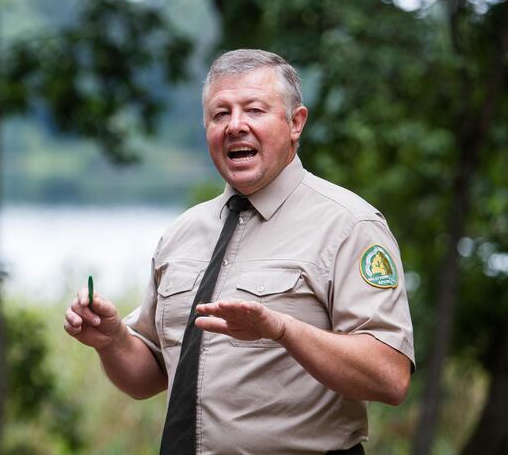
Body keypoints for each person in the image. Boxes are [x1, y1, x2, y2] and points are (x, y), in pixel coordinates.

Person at [63, 49, 414, 454]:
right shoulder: (183, 233)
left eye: (254, 110)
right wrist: (112, 340)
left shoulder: (350, 226)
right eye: (220, 114)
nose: (235, 126)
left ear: (295, 122)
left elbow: (390, 377)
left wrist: (281, 330)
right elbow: (148, 377)